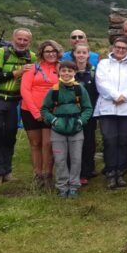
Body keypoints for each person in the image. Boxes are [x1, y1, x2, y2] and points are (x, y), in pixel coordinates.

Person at [0, 28, 36, 185]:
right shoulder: (0, 53)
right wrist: (17, 72)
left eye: (25, 40)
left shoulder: (32, 57)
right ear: (13, 39)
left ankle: (7, 171)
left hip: (15, 101)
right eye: (19, 39)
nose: (21, 42)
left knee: (10, 135)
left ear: (29, 42)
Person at [40, 60, 93, 199]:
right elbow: (44, 109)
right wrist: (54, 120)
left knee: (76, 159)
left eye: (70, 71)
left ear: (74, 72)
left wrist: (81, 121)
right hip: (58, 130)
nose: (66, 73)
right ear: (59, 72)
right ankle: (62, 187)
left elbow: (88, 108)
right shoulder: (54, 90)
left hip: (76, 128)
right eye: (63, 71)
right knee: (60, 159)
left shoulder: (79, 88)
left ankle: (74, 186)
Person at [94, 38, 127, 189]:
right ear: (112, 48)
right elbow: (101, 83)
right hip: (108, 108)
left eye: (124, 48)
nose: (120, 50)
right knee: (109, 140)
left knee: (123, 141)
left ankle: (120, 172)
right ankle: (110, 172)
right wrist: (115, 96)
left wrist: (124, 96)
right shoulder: (103, 64)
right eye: (118, 47)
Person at [21, 39, 62, 190]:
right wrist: (35, 112)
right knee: (35, 144)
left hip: (51, 112)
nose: (51, 54)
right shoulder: (33, 68)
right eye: (47, 51)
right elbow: (25, 90)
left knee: (48, 144)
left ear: (58, 53)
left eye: (53, 51)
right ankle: (37, 175)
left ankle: (48, 175)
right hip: (30, 110)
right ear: (41, 53)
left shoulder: (60, 68)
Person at [70, 42, 99, 184]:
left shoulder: (93, 72)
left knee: (88, 143)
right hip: (71, 114)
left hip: (89, 114)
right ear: (74, 54)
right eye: (78, 52)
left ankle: (86, 172)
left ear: (88, 55)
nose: (81, 55)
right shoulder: (68, 72)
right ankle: (74, 172)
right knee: (73, 143)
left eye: (84, 53)